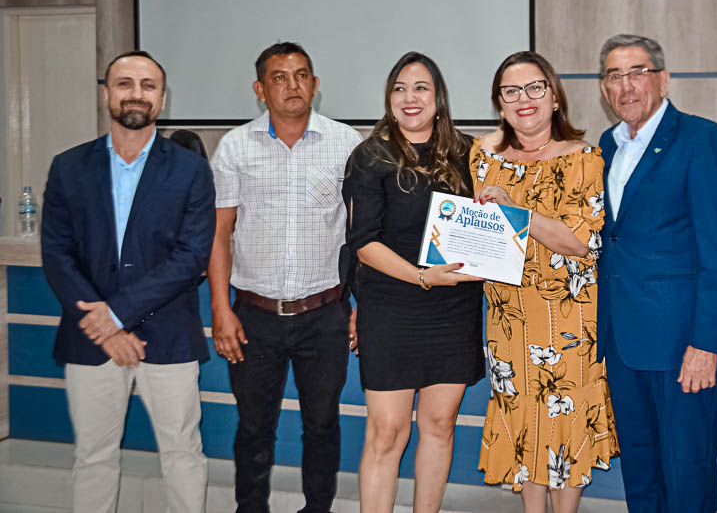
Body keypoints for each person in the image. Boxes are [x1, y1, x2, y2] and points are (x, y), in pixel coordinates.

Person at [41, 50, 215, 513]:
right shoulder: (68, 167)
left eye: (147, 85)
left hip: (168, 335)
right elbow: (56, 255)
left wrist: (117, 316)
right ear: (106, 95)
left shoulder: (191, 169)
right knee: (93, 458)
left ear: (161, 99)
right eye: (124, 83)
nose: (136, 93)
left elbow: (192, 256)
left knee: (182, 454)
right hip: (91, 338)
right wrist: (106, 326)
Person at [208, 42, 362, 513]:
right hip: (254, 317)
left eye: (301, 75)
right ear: (260, 89)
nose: (292, 85)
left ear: (316, 85)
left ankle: (318, 508)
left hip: (326, 314)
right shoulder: (235, 146)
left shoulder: (347, 143)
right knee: (253, 426)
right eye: (279, 76)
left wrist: (363, 307)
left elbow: (361, 235)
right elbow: (219, 235)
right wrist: (220, 310)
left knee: (322, 424)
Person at [595, 34, 717, 513]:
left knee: (687, 471)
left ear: (662, 78)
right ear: (604, 88)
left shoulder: (701, 139)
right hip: (622, 340)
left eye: (637, 72)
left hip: (682, 344)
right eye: (614, 76)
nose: (626, 86)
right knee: (641, 469)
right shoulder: (607, 146)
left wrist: (707, 344)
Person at [472, 51, 618, 513]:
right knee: (524, 420)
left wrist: (515, 209)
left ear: (555, 96)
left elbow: (578, 242)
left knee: (565, 423)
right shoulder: (483, 157)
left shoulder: (586, 159)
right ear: (499, 103)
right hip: (508, 318)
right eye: (510, 92)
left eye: (535, 88)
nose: (524, 99)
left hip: (569, 321)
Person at [341, 52, 484, 513]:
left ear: (438, 97)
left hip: (453, 311)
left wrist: (497, 197)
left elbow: (491, 219)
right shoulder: (370, 156)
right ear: (389, 98)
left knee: (440, 424)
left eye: (421, 87)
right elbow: (363, 243)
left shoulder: (469, 152)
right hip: (392, 309)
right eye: (400, 88)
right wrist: (423, 277)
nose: (410, 97)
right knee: (387, 432)